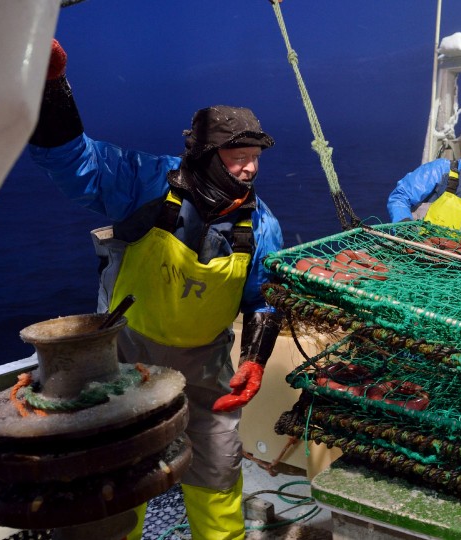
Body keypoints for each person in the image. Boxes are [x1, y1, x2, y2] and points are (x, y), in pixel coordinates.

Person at [27, 40, 284, 540]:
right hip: (127, 358)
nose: (249, 168)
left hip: (207, 366)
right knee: (125, 473)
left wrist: (253, 359)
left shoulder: (260, 223)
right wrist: (52, 87)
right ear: (207, 154)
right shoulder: (149, 181)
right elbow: (75, 163)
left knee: (219, 467)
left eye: (254, 158)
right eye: (237, 157)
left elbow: (263, 299)